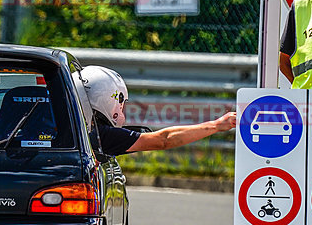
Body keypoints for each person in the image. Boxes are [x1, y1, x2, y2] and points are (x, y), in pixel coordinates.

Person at [80, 65, 236, 157]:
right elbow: (164, 140)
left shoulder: (60, 125)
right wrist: (216, 125)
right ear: (108, 99)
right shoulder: (101, 136)